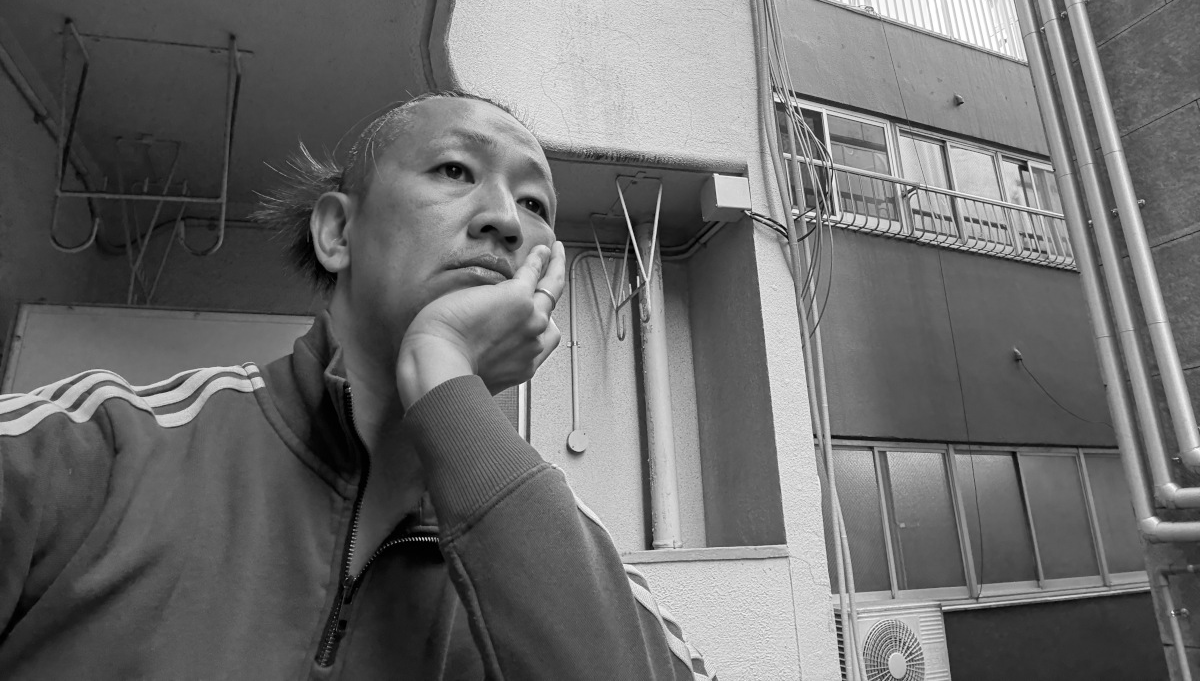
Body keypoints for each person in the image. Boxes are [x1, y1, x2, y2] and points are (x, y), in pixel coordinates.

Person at [0, 91, 714, 680]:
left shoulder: (575, 561)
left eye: (534, 205)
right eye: (455, 170)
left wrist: (444, 374)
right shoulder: (86, 449)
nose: (504, 219)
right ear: (338, 232)